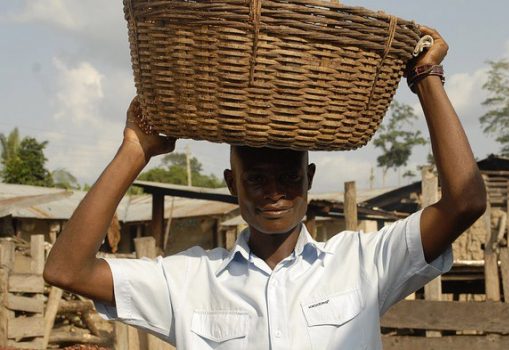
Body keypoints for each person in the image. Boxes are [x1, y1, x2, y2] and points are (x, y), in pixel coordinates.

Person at [44, 26, 486, 349]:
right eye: (255, 179)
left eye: (288, 177)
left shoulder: (363, 263)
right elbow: (67, 271)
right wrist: (134, 151)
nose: (273, 192)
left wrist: (426, 78)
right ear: (232, 185)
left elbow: (464, 202)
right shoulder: (188, 280)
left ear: (308, 180)